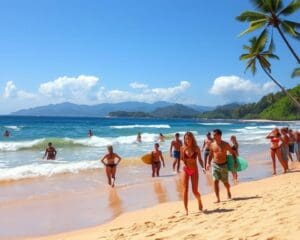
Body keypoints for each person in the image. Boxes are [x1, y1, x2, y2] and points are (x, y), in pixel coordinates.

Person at [207, 129, 236, 203]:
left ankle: (228, 190)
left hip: (224, 165)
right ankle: (218, 198)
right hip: (215, 165)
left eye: (215, 135)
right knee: (215, 181)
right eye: (213, 135)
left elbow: (232, 153)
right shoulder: (212, 144)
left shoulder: (226, 144)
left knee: (225, 183)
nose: (213, 136)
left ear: (220, 135)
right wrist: (208, 163)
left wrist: (235, 162)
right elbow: (210, 155)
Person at [180, 131, 205, 215]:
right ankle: (186, 209)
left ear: (192, 138)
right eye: (186, 139)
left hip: (194, 170)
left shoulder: (196, 148)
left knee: (194, 191)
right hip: (185, 170)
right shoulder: (182, 148)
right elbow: (182, 159)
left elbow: (200, 160)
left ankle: (199, 200)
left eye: (189, 138)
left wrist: (203, 167)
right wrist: (183, 164)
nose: (188, 140)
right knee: (185, 190)